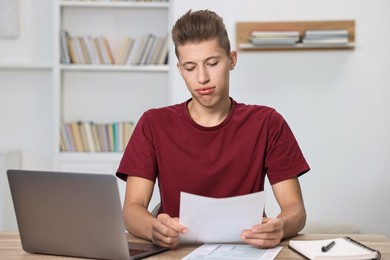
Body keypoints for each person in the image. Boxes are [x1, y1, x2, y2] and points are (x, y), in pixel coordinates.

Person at [116, 9, 310, 249]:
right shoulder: (153, 124)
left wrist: (279, 226)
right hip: (176, 251)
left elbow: (295, 210)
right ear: (179, 70)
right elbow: (132, 209)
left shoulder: (267, 122)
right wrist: (153, 228)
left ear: (232, 60)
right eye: (190, 67)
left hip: (247, 250)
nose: (202, 78)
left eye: (212, 63)